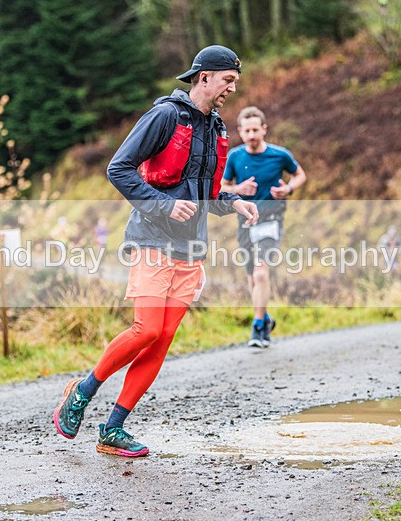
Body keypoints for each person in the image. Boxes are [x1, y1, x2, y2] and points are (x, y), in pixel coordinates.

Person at [53, 45, 258, 457]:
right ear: (205, 77)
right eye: (228, 80)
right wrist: (163, 204)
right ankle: (83, 391)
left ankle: (113, 430)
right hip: (151, 239)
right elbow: (119, 168)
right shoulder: (165, 116)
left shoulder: (216, 128)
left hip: (190, 249)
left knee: (161, 340)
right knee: (145, 329)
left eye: (235, 81)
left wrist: (232, 200)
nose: (232, 89)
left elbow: (205, 191)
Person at [220, 106, 307, 348]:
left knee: (261, 272)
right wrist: (238, 190)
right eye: (247, 130)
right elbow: (221, 186)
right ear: (240, 131)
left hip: (271, 219)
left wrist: (288, 188)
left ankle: (258, 329)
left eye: (255, 130)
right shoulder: (235, 157)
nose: (251, 135)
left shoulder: (280, 155)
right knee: (251, 279)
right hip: (246, 221)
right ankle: (265, 318)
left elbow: (300, 175)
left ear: (264, 129)